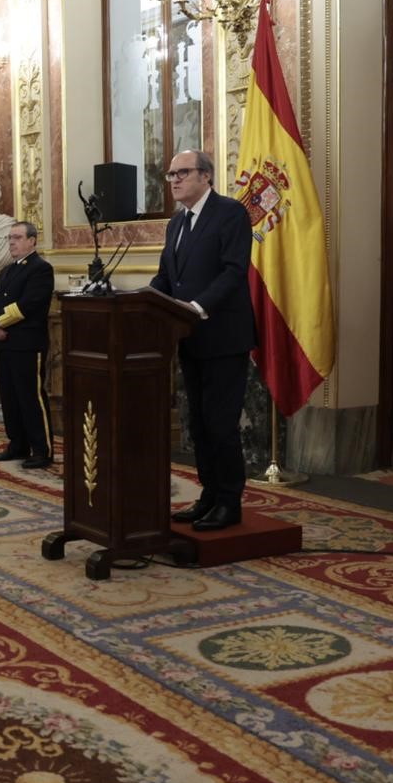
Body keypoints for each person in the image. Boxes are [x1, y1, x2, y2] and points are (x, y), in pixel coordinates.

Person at [150, 149, 255, 531]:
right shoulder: (176, 224)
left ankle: (229, 502)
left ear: (206, 176)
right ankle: (209, 496)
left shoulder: (230, 213)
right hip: (189, 338)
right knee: (198, 423)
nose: (174, 180)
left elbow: (233, 271)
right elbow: (166, 278)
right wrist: (146, 300)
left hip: (224, 336)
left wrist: (196, 306)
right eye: (170, 174)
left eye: (183, 173)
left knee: (220, 423)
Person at [0, 222, 56, 469]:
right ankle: (18, 444)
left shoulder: (41, 269)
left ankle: (42, 450)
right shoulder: (6, 271)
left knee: (30, 396)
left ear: (32, 240)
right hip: (5, 344)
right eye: (10, 238)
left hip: (27, 343)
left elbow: (27, 306)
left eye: (17, 237)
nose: (12, 242)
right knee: (10, 397)